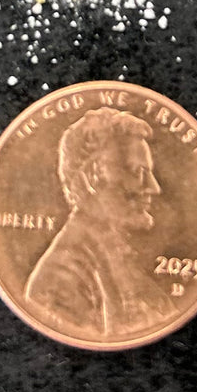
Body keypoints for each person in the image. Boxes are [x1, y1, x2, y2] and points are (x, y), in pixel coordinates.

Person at [24, 107, 175, 340]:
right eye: (137, 171)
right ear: (92, 176)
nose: (153, 188)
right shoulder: (59, 282)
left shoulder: (112, 258)